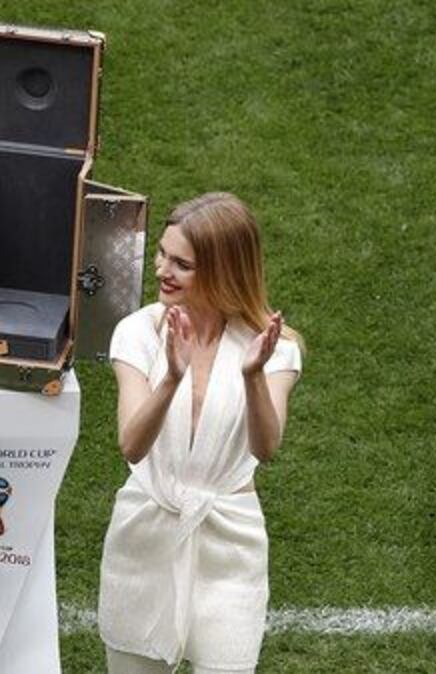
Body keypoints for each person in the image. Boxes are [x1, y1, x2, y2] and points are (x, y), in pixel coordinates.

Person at [97, 193, 303, 674]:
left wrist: (253, 375)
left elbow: (266, 447)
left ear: (223, 270)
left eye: (182, 264)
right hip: (145, 531)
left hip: (230, 540)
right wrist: (172, 377)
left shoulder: (274, 347)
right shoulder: (138, 332)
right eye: (162, 254)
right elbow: (132, 444)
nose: (162, 270)